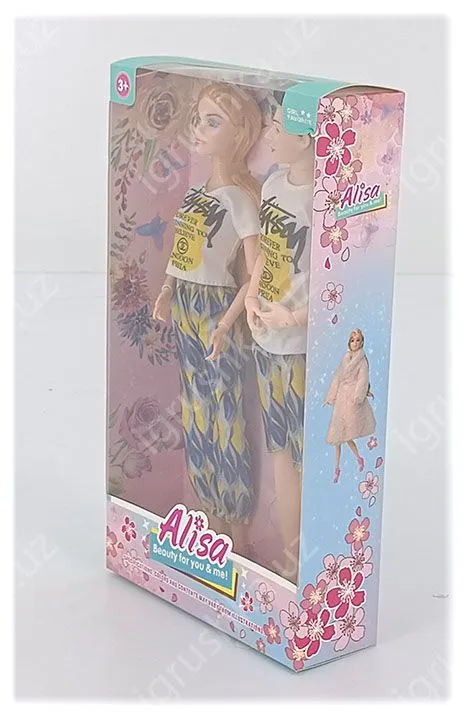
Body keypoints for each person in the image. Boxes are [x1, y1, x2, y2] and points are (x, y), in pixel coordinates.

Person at [152, 82, 262, 552]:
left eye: (212, 121)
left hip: (217, 307)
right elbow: (182, 252)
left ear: (240, 133)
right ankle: (210, 518)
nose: (198, 128)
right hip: (185, 305)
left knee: (224, 412)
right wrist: (166, 290)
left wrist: (228, 320)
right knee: (195, 411)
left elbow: (256, 272)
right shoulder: (197, 192)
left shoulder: (240, 198)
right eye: (198, 119)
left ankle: (237, 529)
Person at [324, 328, 376, 483]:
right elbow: (337, 377)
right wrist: (331, 396)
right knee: (337, 436)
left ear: (362, 342)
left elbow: (363, 379)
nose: (355, 343)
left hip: (351, 397)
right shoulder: (346, 358)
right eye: (352, 340)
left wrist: (359, 395)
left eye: (358, 340)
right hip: (341, 397)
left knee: (345, 435)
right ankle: (337, 467)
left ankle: (358, 458)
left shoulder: (362, 361)